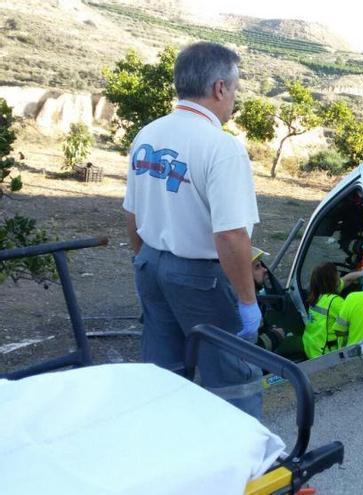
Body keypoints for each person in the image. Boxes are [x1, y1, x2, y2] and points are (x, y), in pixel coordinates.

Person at [123, 42, 263, 418]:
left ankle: (167, 450)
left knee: (164, 374)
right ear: (219, 88)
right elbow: (231, 235)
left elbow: (132, 215)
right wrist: (248, 303)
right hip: (200, 278)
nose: (234, 98)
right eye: (235, 89)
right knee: (233, 381)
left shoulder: (146, 136)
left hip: (151, 265)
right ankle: (241, 465)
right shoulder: (221, 147)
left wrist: (146, 260)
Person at [302, 262, 345, 359]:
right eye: (336, 273)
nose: (339, 276)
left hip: (310, 345)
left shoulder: (316, 294)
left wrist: (362, 274)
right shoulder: (335, 302)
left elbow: (345, 281)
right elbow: (352, 317)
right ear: (332, 279)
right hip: (324, 352)